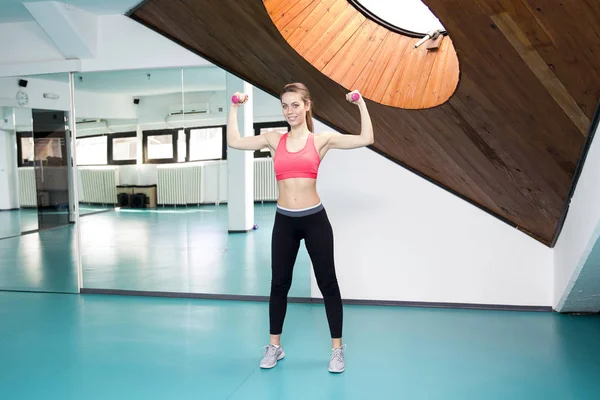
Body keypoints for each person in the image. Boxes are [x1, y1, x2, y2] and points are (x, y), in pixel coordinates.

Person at [226, 83, 373, 373]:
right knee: (279, 284)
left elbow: (366, 138)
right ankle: (274, 347)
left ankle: (337, 350)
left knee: (327, 283)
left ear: (307, 106)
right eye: (285, 105)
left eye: (295, 104)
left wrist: (360, 104)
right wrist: (233, 108)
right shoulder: (273, 139)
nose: (289, 111)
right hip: (285, 221)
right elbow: (234, 142)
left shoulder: (321, 141)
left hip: (314, 219)